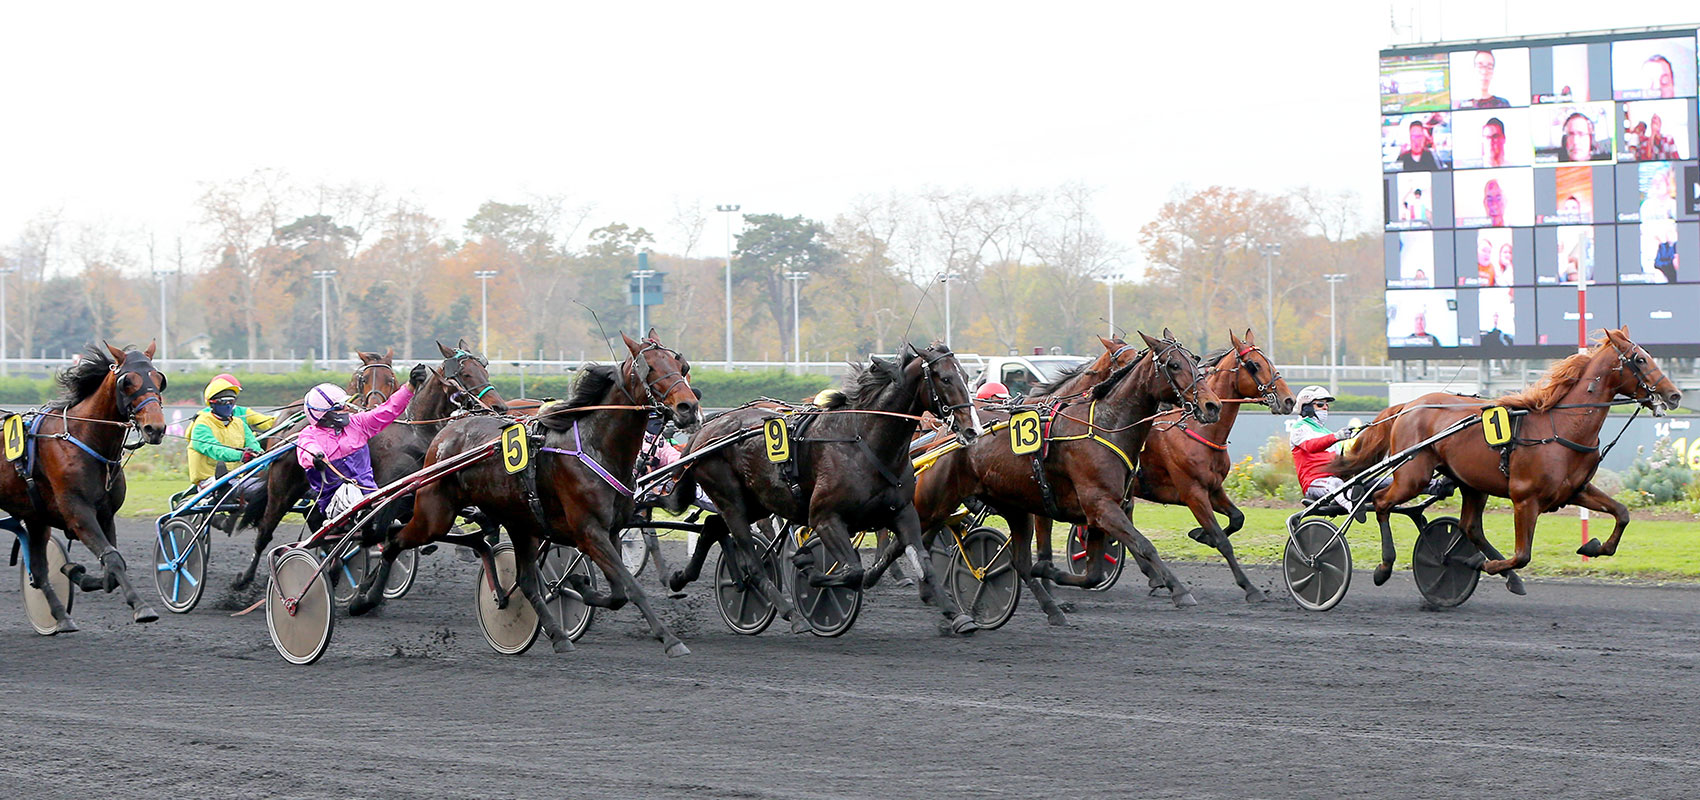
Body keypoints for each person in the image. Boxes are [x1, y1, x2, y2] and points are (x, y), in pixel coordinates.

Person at [296, 363, 424, 529]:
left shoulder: (357, 423)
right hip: (336, 500)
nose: (347, 408)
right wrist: (315, 457)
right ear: (323, 413)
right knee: (358, 499)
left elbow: (387, 410)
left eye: (345, 404)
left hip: (370, 494)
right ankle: (372, 517)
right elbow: (307, 450)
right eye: (340, 407)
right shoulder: (309, 434)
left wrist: (410, 386)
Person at [185, 374, 279, 489]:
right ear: (212, 403)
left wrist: (258, 454)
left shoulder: (239, 423)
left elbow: (253, 443)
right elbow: (215, 450)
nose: (229, 406)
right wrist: (242, 456)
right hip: (210, 480)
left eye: (232, 401)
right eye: (224, 402)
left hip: (236, 478)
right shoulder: (201, 424)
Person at [1287, 387, 1361, 501]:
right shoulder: (1299, 428)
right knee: (1336, 483)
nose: (1326, 407)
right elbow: (1311, 446)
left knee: (1381, 482)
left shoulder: (1328, 433)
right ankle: (1353, 507)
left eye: (1327, 404)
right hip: (1314, 483)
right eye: (1321, 404)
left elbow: (1343, 459)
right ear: (1306, 407)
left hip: (1338, 480)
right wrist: (1337, 437)